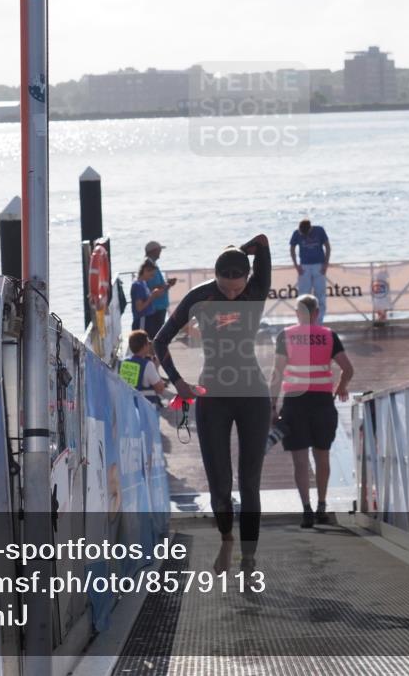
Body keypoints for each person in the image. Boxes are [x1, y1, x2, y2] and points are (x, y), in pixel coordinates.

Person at [153, 234, 271, 573]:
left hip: (252, 394)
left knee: (249, 482)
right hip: (213, 396)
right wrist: (179, 383)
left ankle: (249, 557)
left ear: (247, 279)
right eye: (225, 288)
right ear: (215, 277)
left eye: (237, 288)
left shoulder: (257, 289)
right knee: (220, 481)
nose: (231, 295)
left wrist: (239, 251)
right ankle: (226, 539)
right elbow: (160, 341)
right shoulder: (200, 296)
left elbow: (263, 242)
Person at [269, 295, 354, 528]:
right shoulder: (329, 336)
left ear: (298, 313)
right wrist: (341, 388)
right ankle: (322, 506)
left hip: (295, 403)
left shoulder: (285, 335)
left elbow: (277, 373)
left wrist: (272, 406)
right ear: (316, 313)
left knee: (300, 460)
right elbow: (348, 369)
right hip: (322, 402)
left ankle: (306, 509)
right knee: (322, 456)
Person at [289, 219, 330, 317]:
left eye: (306, 233)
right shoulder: (296, 233)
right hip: (304, 267)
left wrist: (325, 264)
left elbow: (327, 247)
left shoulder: (319, 230)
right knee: (303, 295)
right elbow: (292, 248)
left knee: (320, 295)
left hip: (319, 265)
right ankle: (304, 320)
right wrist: (296, 265)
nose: (305, 236)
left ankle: (319, 321)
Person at [119, 330, 166, 407]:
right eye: (148, 343)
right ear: (144, 346)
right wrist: (156, 367)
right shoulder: (148, 365)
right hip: (145, 410)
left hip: (128, 408)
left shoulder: (123, 363)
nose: (150, 345)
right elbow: (160, 389)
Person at [143, 240, 177, 338]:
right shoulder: (149, 266)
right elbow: (152, 287)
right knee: (154, 334)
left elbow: (156, 285)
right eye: (159, 250)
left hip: (159, 306)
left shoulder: (152, 264)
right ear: (153, 251)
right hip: (155, 307)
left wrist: (166, 284)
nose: (160, 252)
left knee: (156, 333)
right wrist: (167, 285)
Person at [130, 259, 165, 333]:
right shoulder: (137, 285)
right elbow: (139, 308)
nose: (152, 278)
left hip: (148, 319)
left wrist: (155, 295)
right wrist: (152, 296)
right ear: (145, 271)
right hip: (142, 320)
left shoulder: (144, 283)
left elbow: (147, 299)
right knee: (142, 339)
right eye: (151, 275)